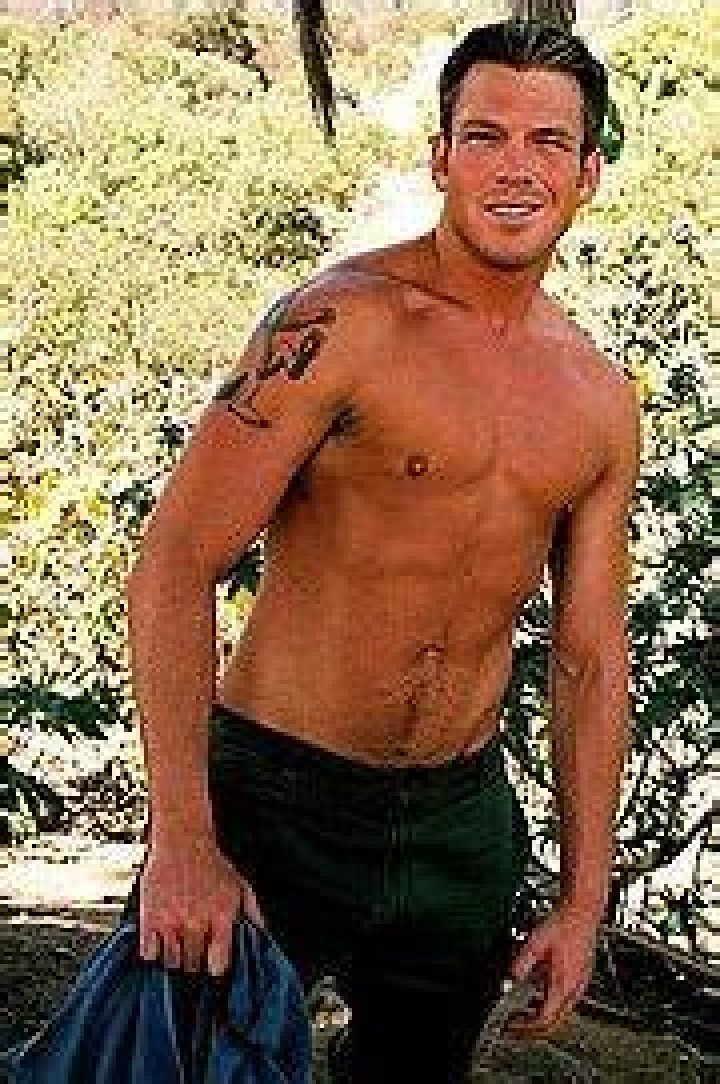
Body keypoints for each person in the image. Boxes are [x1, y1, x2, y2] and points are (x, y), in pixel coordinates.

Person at [122, 17, 641, 1084]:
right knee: (179, 1066)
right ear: (441, 157)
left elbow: (590, 659)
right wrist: (183, 836)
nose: (515, 167)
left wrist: (583, 898)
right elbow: (175, 561)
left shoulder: (597, 397)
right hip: (277, 798)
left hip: (458, 822)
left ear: (588, 173)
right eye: (485, 135)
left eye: (548, 142)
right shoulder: (342, 325)